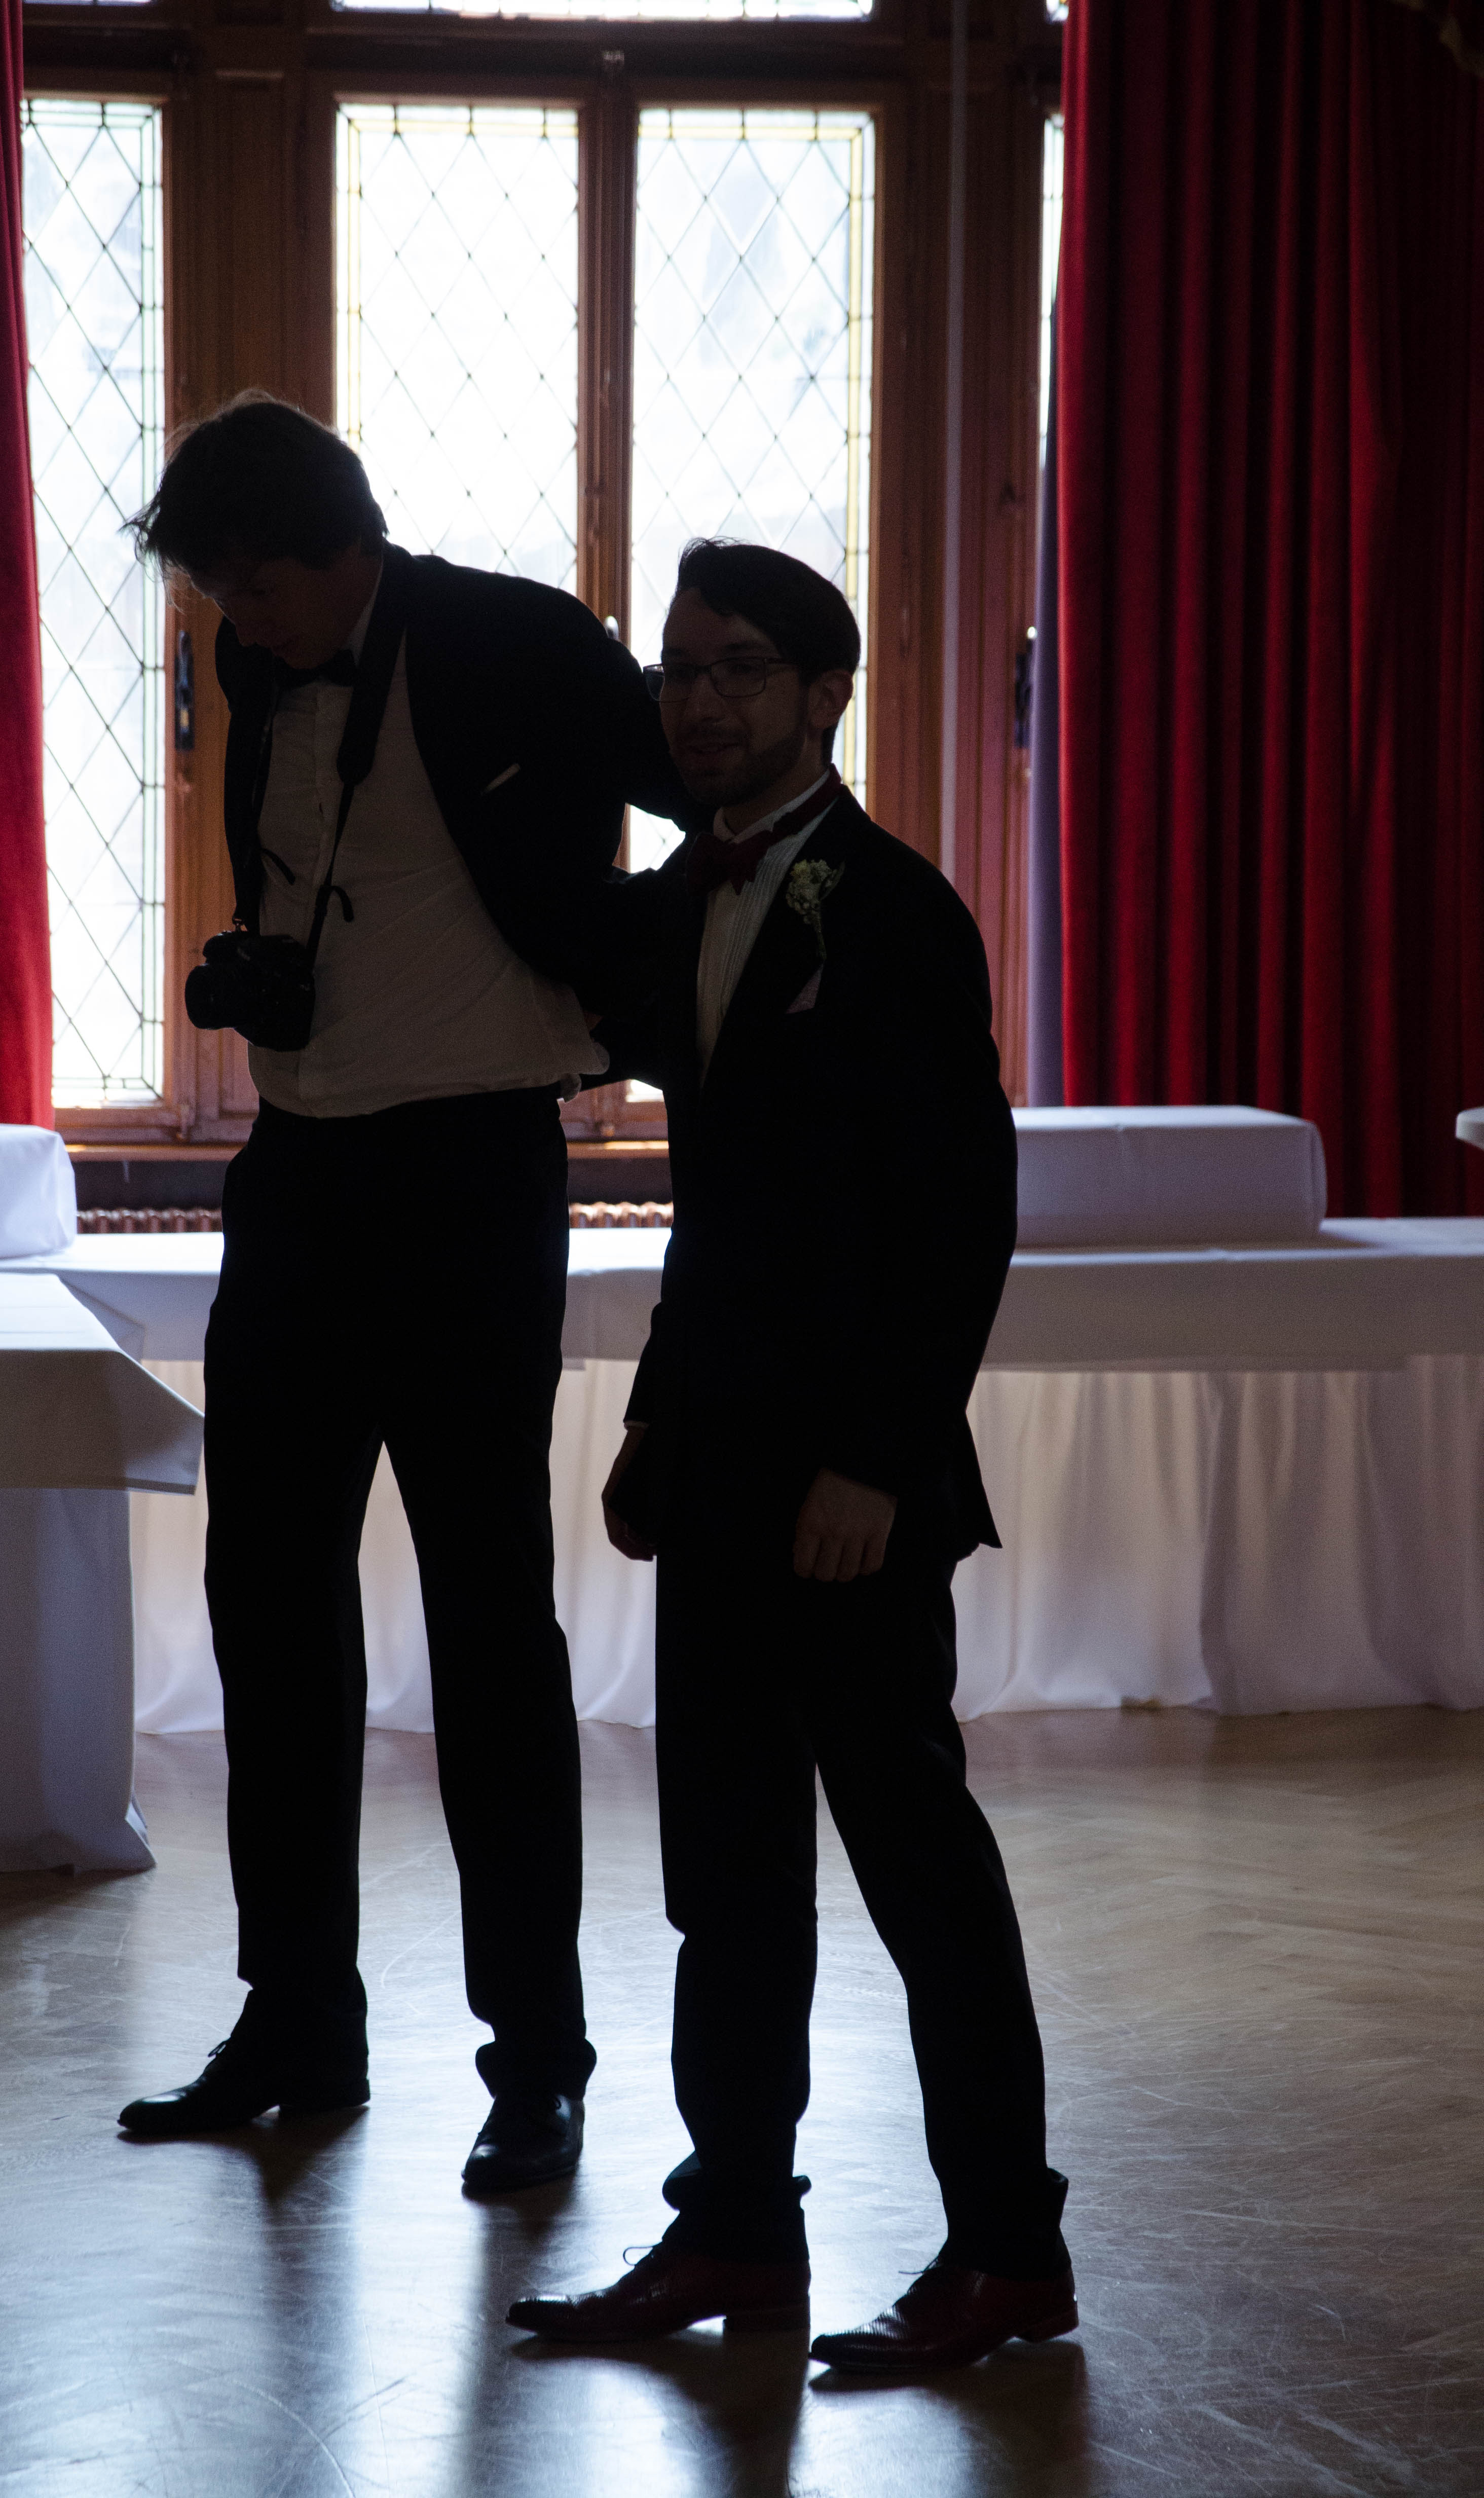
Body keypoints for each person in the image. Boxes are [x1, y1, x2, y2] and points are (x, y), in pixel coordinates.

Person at [507, 540, 1075, 2367]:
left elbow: (956, 1214)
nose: (700, 702)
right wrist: (660, 1414)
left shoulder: (895, 909)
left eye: (740, 668)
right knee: (728, 1872)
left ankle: (1009, 2250)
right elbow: (728, 1208)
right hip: (721, 1463)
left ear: (828, 691)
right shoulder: (687, 896)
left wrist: (879, 1462)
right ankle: (738, 2229)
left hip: (854, 1487)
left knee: (919, 1866)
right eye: (679, 672)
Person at [116, 394, 692, 2193]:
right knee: (269, 1610)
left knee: (490, 1626)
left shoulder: (516, 638)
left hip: (471, 1171)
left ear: (340, 547)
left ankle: (538, 2063)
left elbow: (714, 799)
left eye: (257, 587)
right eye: (221, 593)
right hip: (299, 1173)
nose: (239, 621)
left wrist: (625, 986)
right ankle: (298, 2018)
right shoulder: (259, 655)